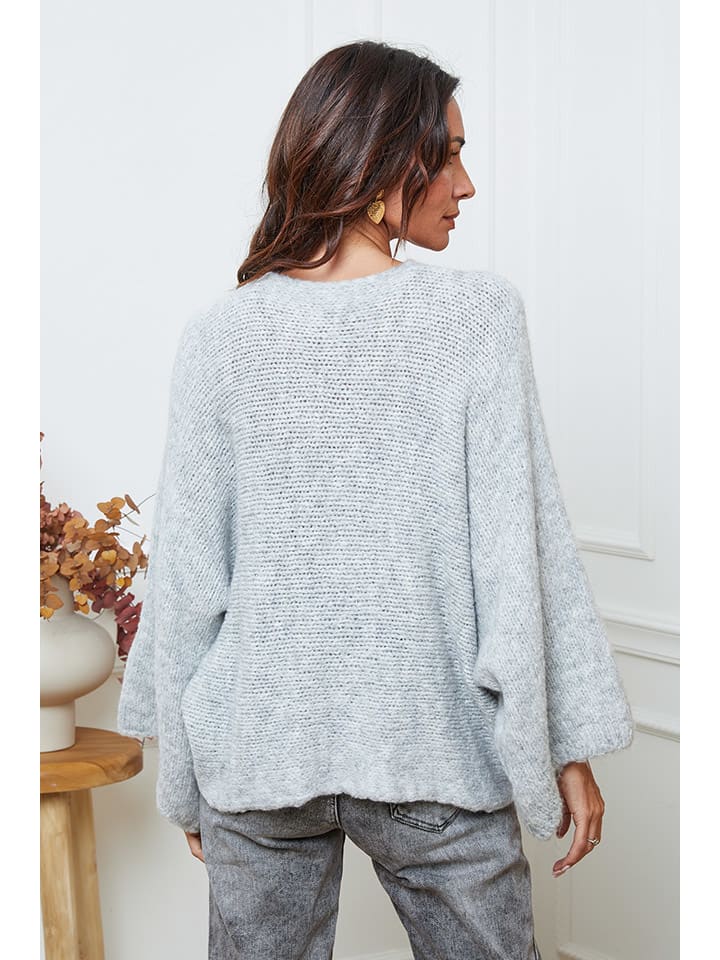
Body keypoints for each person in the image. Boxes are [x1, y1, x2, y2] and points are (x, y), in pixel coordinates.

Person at [117, 40, 634, 960]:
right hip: (430, 748)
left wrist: (186, 781)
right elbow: (519, 558)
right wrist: (563, 744)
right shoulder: (476, 319)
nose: (466, 185)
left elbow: (189, 575)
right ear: (381, 161)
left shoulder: (220, 336)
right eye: (449, 155)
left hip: (258, 756)